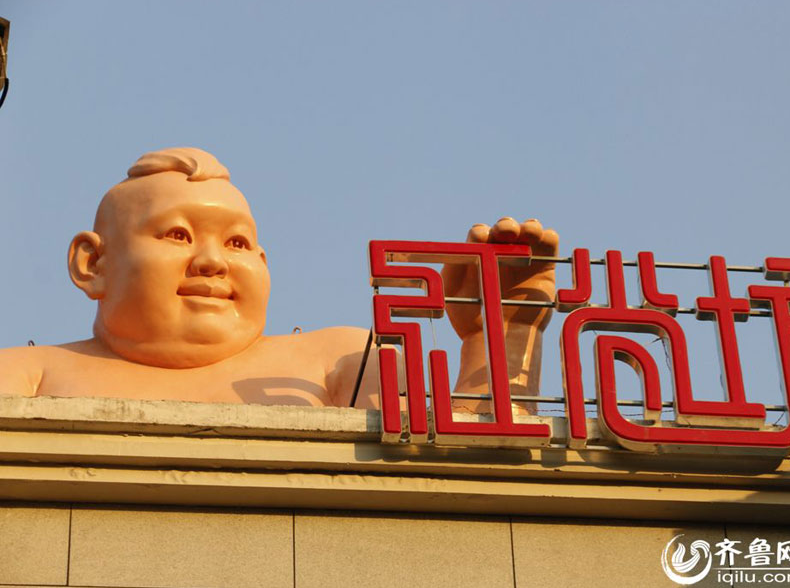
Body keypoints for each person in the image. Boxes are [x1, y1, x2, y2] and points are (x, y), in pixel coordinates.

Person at [0, 148, 558, 410]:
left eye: (238, 243)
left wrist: (498, 340)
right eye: (176, 235)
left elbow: (459, 471)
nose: (212, 262)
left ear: (264, 264)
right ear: (90, 264)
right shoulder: (28, 373)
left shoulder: (337, 359)